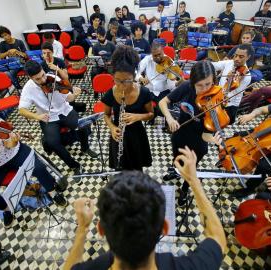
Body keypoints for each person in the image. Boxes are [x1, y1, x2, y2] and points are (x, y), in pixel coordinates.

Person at [63, 147, 226, 270]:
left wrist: (82, 228)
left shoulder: (97, 266)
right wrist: (193, 180)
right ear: (164, 227)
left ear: (100, 229)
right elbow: (217, 237)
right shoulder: (191, 266)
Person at [159, 61, 225, 205]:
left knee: (190, 169)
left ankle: (184, 189)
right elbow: (163, 102)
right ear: (193, 82)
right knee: (177, 158)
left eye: (208, 84)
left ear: (214, 80)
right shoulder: (186, 87)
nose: (204, 89)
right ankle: (175, 171)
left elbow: (206, 134)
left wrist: (214, 140)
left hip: (198, 141)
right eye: (200, 85)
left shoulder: (216, 97)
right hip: (180, 134)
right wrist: (170, 119)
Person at [19, 61, 98, 175]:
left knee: (83, 126)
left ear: (43, 69)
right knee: (52, 143)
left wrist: (75, 95)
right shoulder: (28, 88)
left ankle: (85, 148)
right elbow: (21, 110)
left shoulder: (53, 78)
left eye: (43, 75)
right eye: (38, 79)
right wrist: (37, 116)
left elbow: (69, 99)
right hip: (48, 117)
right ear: (31, 78)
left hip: (64, 110)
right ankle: (73, 165)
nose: (43, 80)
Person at [101, 46, 153, 171]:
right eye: (117, 80)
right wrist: (112, 128)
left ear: (134, 76)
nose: (121, 85)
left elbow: (151, 114)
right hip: (118, 136)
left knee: (137, 168)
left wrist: (138, 117)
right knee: (121, 168)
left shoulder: (144, 93)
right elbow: (106, 115)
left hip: (137, 136)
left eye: (127, 81)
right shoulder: (110, 93)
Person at [212, 44, 252, 123]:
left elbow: (230, 94)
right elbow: (215, 65)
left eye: (241, 57)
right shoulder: (229, 63)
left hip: (229, 104)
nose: (236, 59)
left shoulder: (246, 76)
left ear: (248, 57)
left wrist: (229, 80)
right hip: (218, 98)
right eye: (235, 55)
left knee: (222, 124)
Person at [136, 42, 178, 118]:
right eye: (155, 56)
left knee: (163, 111)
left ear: (163, 52)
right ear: (151, 54)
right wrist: (141, 78)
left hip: (163, 92)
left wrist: (169, 76)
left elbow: (171, 86)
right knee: (139, 107)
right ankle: (152, 116)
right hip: (149, 90)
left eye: (160, 54)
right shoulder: (147, 59)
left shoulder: (170, 62)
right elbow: (136, 72)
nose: (158, 57)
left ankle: (166, 122)